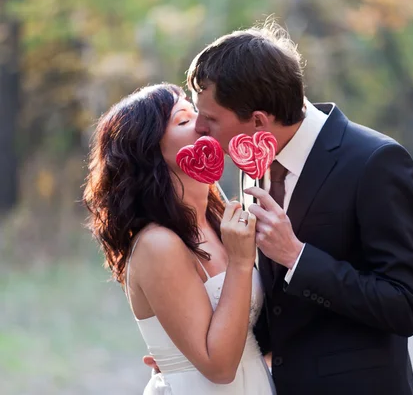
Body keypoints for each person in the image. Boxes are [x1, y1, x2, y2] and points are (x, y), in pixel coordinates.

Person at [182, 20, 413, 394]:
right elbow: (277, 306)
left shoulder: (376, 162)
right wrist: (192, 351)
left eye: (211, 118)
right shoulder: (253, 163)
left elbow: (404, 305)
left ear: (259, 121)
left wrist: (296, 256)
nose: (199, 128)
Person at [83, 83, 275, 394]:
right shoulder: (158, 244)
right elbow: (220, 368)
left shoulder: (219, 219)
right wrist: (241, 263)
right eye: (184, 121)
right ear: (149, 153)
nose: (202, 123)